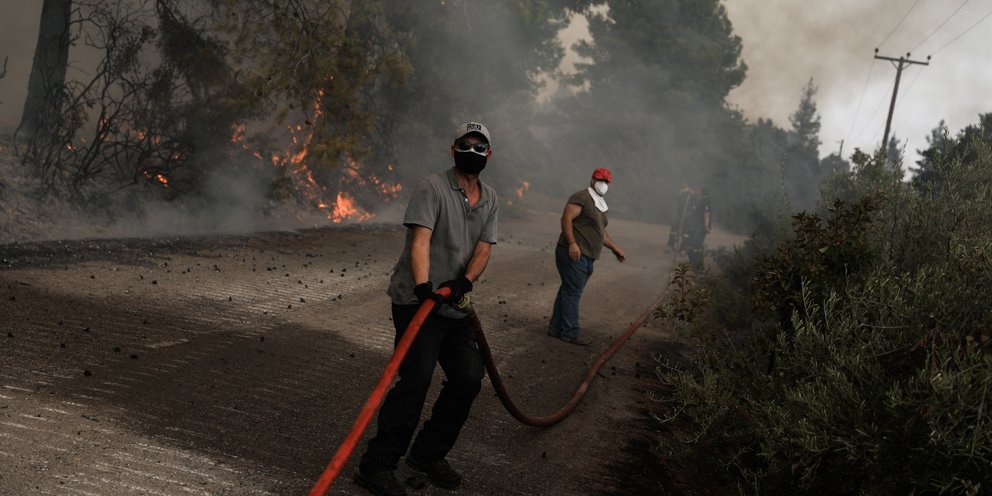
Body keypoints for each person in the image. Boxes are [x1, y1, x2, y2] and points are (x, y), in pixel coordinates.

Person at [355, 122, 499, 496]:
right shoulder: (432, 187)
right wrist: (423, 287)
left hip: (454, 305)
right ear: (453, 149)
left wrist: (466, 282)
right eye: (465, 144)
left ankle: (427, 454)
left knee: (468, 378)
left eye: (479, 147)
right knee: (416, 379)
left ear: (488, 155)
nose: (472, 151)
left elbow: (484, 248)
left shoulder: (490, 198)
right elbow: (421, 240)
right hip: (417, 300)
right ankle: (376, 466)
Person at [547, 167, 626, 346]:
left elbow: (600, 232)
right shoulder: (582, 197)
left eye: (606, 182)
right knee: (573, 292)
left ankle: (556, 328)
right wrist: (572, 243)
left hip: (588, 255)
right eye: (600, 180)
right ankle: (570, 332)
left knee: (568, 289)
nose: (603, 184)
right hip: (575, 252)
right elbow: (566, 219)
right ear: (592, 180)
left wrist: (615, 248)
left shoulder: (600, 204)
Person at [683, 186, 711, 268]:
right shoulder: (701, 200)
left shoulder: (705, 200)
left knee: (696, 245)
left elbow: (706, 214)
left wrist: (706, 226)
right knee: (693, 245)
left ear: (702, 192)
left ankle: (698, 265)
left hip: (700, 227)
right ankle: (695, 264)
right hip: (696, 226)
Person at [666, 183, 692, 254]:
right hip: (689, 217)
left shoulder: (680, 195)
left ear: (681, 189)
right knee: (686, 233)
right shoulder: (691, 195)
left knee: (674, 230)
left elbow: (678, 202)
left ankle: (670, 246)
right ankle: (683, 249)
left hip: (681, 215)